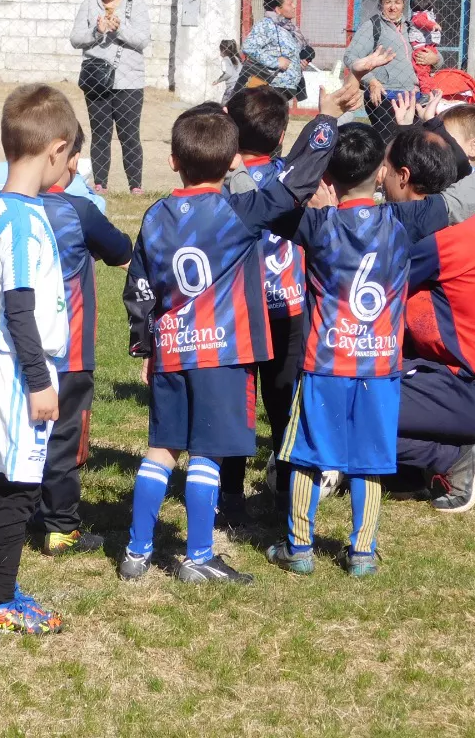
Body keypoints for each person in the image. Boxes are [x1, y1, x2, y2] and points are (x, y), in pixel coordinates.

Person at [119, 87, 352, 586]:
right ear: (230, 164)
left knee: (161, 448)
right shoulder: (239, 211)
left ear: (173, 160)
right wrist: (326, 120)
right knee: (206, 452)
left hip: (172, 350)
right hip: (222, 353)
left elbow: (138, 284)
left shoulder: (155, 215)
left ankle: (136, 551)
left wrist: (144, 342)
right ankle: (198, 555)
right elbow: (296, 183)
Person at [268, 116, 475, 578]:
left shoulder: (395, 235)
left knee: (327, 437)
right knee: (370, 437)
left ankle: (301, 540)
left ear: (401, 176)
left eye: (390, 167)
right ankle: (363, 550)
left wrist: (321, 199)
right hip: (423, 368)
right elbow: (459, 199)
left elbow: (277, 210)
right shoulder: (427, 223)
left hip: (448, 383)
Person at [0, 84, 77, 636]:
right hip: (14, 371)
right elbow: (19, 306)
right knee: (18, 486)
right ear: (56, 150)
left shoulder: (2, 207)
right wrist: (38, 381)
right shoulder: (19, 220)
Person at [382, 127, 475, 513]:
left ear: (405, 177)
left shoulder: (432, 241)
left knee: (348, 405)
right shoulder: (470, 224)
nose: (380, 178)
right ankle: (409, 471)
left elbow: (364, 287)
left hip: (473, 388)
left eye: (385, 168)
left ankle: (453, 457)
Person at [38, 126, 133, 555]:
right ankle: (60, 526)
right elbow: (122, 251)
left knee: (23, 432)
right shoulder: (79, 210)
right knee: (64, 436)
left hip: (18, 349)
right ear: (71, 159)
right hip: (70, 351)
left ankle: (14, 512)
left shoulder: (3, 208)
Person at [222, 86, 308, 520]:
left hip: (240, 309)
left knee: (240, 402)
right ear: (280, 136)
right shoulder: (292, 176)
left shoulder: (223, 182)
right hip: (288, 307)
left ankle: (231, 495)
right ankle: (289, 493)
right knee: (283, 403)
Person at [69, 0, 152, 195]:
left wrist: (119, 28)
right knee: (100, 133)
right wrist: (97, 31)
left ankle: (135, 185)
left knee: (129, 134)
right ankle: (100, 183)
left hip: (130, 80)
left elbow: (142, 39)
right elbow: (75, 39)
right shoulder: (89, 4)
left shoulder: (137, 5)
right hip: (96, 78)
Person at [344, 0, 442, 138]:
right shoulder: (373, 26)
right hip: (385, 97)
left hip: (413, 97)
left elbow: (436, 56)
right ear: (381, 3)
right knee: (388, 143)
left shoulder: (412, 27)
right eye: (387, 2)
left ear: (403, 4)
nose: (392, 7)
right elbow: (351, 57)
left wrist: (435, 59)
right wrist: (371, 81)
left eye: (397, 2)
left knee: (411, 146)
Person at [240, 0, 307, 101]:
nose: (294, 6)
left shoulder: (287, 28)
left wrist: (299, 62)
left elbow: (286, 54)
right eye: (290, 4)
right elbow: (248, 47)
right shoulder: (267, 25)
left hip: (285, 89)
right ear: (278, 9)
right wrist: (275, 62)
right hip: (270, 88)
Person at [408, 0, 442, 94]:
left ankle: (428, 90)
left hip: (424, 47)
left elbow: (422, 22)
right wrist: (433, 25)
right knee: (424, 71)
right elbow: (421, 22)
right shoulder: (421, 16)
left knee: (424, 71)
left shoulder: (422, 15)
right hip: (424, 46)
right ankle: (428, 90)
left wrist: (433, 25)